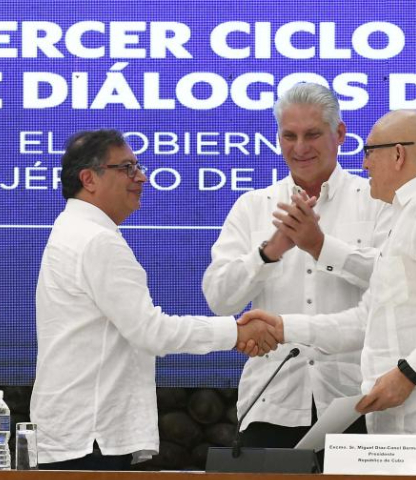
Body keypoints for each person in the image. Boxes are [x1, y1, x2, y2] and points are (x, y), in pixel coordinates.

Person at [240, 110, 416, 474]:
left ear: (398, 155)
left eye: (369, 152)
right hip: (407, 425)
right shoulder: (405, 214)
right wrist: (284, 328)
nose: (363, 164)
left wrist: (408, 373)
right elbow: (369, 320)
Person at [30, 129, 278, 471]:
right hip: (92, 437)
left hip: (78, 432)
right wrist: (235, 333)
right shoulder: (95, 240)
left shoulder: (72, 229)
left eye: (138, 166)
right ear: (89, 179)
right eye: (127, 168)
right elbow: (151, 332)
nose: (141, 177)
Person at [202, 83, 392, 450]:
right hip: (271, 400)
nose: (300, 148)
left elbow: (393, 284)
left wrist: (320, 246)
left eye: (312, 134)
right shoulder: (253, 206)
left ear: (339, 134)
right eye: (289, 136)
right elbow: (219, 299)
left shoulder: (375, 202)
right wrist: (268, 253)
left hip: (357, 402)